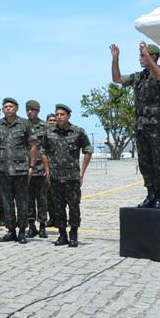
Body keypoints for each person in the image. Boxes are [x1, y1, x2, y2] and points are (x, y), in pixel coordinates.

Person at [111, 41, 160, 208]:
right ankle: (150, 194)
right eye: (140, 55)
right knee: (144, 162)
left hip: (156, 125)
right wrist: (115, 58)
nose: (140, 58)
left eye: (143, 55)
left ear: (153, 57)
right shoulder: (139, 76)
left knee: (158, 161)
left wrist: (148, 55)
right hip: (141, 125)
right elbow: (117, 79)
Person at [40, 104, 93, 247]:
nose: (59, 117)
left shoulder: (78, 132)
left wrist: (82, 172)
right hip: (55, 177)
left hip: (72, 177)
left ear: (68, 116)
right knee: (58, 207)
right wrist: (48, 170)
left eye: (62, 114)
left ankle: (74, 234)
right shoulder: (49, 133)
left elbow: (88, 150)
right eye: (57, 114)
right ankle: (62, 235)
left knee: (74, 206)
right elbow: (43, 152)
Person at [0, 98, 38, 243]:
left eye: (10, 106)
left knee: (22, 202)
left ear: (16, 108)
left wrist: (31, 166)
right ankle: (11, 231)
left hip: (21, 171)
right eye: (5, 106)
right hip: (3, 171)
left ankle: (22, 231)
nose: (8, 108)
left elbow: (33, 145)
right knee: (7, 202)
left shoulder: (25, 124)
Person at [25, 100, 50, 238]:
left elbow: (49, 148)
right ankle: (31, 226)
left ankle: (42, 226)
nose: (30, 112)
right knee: (28, 199)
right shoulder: (22, 126)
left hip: (41, 168)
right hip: (25, 169)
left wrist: (48, 168)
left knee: (42, 199)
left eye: (32, 110)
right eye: (28, 109)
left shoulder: (45, 127)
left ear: (38, 111)